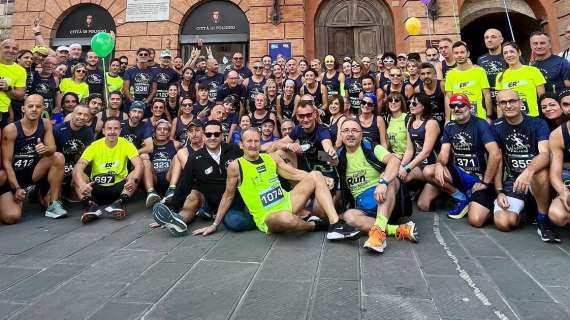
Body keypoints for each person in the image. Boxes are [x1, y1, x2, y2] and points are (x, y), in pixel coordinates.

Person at [192, 127, 359, 239]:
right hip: (269, 216)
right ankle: (315, 225)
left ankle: (336, 224)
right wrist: (215, 224)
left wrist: (321, 178)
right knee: (287, 219)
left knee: (315, 174)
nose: (253, 144)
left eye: (256, 141)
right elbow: (228, 195)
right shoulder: (236, 167)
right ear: (242, 145)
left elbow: (294, 173)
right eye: (249, 141)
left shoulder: (270, 158)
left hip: (287, 201)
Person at [152, 120, 256, 235]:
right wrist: (172, 210)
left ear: (222, 135)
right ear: (204, 136)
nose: (212, 137)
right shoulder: (195, 159)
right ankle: (175, 221)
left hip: (237, 200)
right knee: (233, 222)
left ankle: (262, 219)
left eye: (216, 134)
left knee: (235, 222)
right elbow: (184, 186)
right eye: (208, 134)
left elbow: (253, 162)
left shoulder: (234, 150)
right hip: (216, 204)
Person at [336, 120, 417, 253]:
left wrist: (383, 182)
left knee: (392, 179)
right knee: (349, 216)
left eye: (354, 130)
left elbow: (395, 160)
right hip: (364, 208)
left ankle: (378, 235)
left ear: (361, 134)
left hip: (385, 198)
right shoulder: (339, 155)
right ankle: (397, 229)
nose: (350, 134)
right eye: (346, 131)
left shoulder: (371, 147)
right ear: (341, 134)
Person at [423, 93, 501, 224]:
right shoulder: (450, 126)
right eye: (453, 106)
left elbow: (495, 154)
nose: (457, 108)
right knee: (427, 173)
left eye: (461, 105)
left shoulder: (480, 124)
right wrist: (439, 164)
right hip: (459, 174)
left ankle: (479, 202)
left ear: (469, 107)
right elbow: (444, 152)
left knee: (476, 220)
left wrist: (486, 182)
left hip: (478, 178)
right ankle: (462, 198)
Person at [491, 90, 552, 238]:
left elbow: (545, 154)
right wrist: (499, 192)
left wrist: (528, 172)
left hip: (535, 179)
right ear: (498, 105)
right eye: (503, 102)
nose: (508, 105)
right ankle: (527, 208)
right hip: (513, 182)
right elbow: (496, 160)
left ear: (520, 103)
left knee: (541, 172)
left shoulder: (538, 123)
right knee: (503, 223)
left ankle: (543, 220)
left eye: (512, 101)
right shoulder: (495, 126)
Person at [0, 95, 67, 223]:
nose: (34, 109)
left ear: (43, 108)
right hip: (14, 176)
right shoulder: (11, 129)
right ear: (24, 109)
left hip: (34, 172)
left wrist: (45, 149)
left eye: (38, 106)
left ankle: (53, 204)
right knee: (11, 217)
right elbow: (6, 162)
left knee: (58, 157)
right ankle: (14, 197)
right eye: (30, 106)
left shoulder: (46, 123)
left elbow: (52, 148)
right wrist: (16, 188)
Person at [73, 117, 143, 223]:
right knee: (77, 174)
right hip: (95, 188)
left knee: (136, 173)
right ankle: (90, 206)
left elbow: (139, 165)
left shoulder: (126, 144)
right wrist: (82, 184)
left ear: (120, 130)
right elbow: (79, 167)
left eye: (116, 128)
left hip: (119, 188)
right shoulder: (95, 145)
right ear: (103, 131)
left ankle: (120, 203)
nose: (112, 131)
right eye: (109, 128)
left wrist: (134, 180)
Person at [399, 93, 440, 211]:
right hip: (420, 166)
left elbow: (426, 152)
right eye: (409, 103)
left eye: (414, 103)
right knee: (401, 176)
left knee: (423, 205)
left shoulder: (431, 123)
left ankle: (441, 189)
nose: (411, 105)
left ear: (423, 106)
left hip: (433, 167)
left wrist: (407, 168)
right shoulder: (410, 122)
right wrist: (401, 166)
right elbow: (409, 150)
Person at [53, 104, 94, 200]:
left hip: (75, 166)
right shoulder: (57, 129)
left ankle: (87, 202)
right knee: (47, 203)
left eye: (85, 115)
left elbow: (87, 154)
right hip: (58, 168)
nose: (82, 117)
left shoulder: (88, 131)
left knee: (77, 194)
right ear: (72, 115)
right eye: (79, 114)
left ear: (88, 118)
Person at [444, 41, 491, 122]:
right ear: (453, 55)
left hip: (478, 117)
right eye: (456, 53)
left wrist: (489, 116)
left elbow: (486, 94)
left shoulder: (479, 71)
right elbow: (448, 97)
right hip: (458, 117)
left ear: (468, 54)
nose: (459, 55)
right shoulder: (450, 74)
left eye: (462, 52)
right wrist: (447, 120)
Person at [495, 42, 546, 117]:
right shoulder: (500, 76)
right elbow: (500, 104)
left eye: (512, 51)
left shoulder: (533, 71)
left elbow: (543, 98)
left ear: (519, 52)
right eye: (505, 53)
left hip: (532, 117)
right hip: (511, 119)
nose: (509, 55)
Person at [143, 119, 182, 207]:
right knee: (144, 158)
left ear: (169, 133)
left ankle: (171, 190)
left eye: (165, 129)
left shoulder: (175, 144)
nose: (162, 131)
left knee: (178, 156)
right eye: (159, 129)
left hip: (169, 178)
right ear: (154, 132)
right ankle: (151, 192)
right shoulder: (148, 145)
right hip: (154, 179)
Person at [165, 119, 205, 203]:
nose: (194, 134)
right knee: (178, 155)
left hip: (201, 184)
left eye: (197, 130)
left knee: (177, 156)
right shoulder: (185, 151)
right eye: (191, 131)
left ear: (203, 132)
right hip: (184, 180)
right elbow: (191, 172)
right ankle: (171, 189)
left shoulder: (209, 147)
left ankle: (172, 191)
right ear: (187, 134)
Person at [548, 106, 570, 234]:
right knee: (557, 214)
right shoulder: (558, 134)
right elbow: (555, 172)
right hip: (568, 180)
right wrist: (563, 191)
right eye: (566, 104)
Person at [0, 40, 28, 127]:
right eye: (7, 47)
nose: (11, 50)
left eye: (14, 49)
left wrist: (7, 88)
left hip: (2, 110)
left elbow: (20, 95)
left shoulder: (20, 71)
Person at [477, 29, 507, 106]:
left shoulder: (509, 56)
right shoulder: (480, 59)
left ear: (501, 39)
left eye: (493, 37)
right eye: (486, 37)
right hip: (489, 102)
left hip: (507, 100)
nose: (489, 40)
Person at [417, 62, 445, 129]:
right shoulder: (417, 89)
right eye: (423, 74)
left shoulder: (442, 85)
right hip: (427, 124)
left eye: (429, 73)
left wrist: (448, 120)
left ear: (435, 74)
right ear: (420, 76)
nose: (426, 76)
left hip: (444, 121)